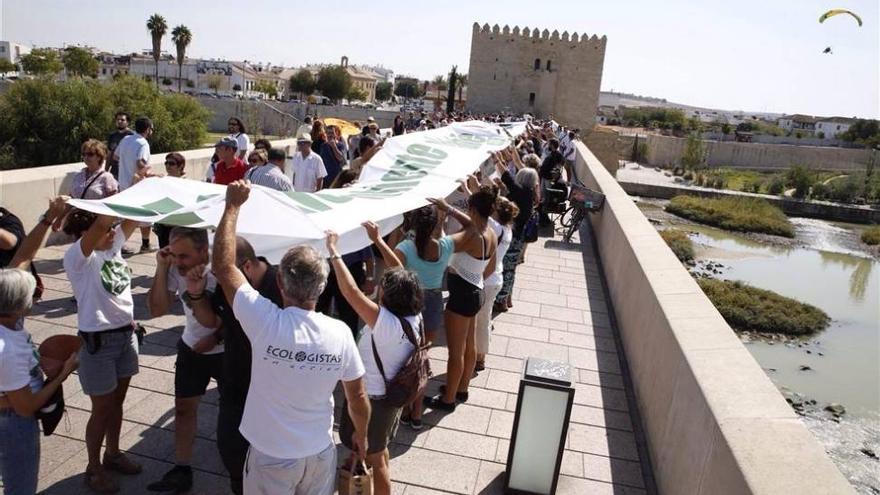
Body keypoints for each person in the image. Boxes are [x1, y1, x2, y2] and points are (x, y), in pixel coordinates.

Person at [212, 181, 370, 495]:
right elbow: (358, 398)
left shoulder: (264, 321)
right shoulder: (340, 333)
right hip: (319, 454)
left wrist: (232, 206)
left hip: (271, 457)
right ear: (322, 289)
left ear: (280, 285)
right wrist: (361, 436)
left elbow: (222, 266)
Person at [327, 224, 423, 495]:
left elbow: (351, 293)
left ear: (388, 295)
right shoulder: (413, 315)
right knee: (379, 454)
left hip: (376, 403)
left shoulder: (386, 323)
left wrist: (333, 252)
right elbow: (398, 270)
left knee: (375, 460)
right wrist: (377, 240)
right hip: (389, 399)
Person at [182, 236, 282, 495]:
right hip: (236, 381)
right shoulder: (227, 285)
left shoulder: (282, 284)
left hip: (274, 390)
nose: (219, 280)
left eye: (223, 273)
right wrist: (196, 292)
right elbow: (211, 320)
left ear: (246, 266)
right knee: (231, 449)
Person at [0, 198, 78, 495]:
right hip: (13, 425)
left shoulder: (7, 315)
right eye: (31, 295)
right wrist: (63, 374)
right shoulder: (6, 347)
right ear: (20, 306)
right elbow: (26, 406)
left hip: (10, 406)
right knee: (20, 487)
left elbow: (22, 256)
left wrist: (49, 217)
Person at [62, 211, 144, 493]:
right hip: (99, 343)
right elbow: (101, 223)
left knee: (117, 402)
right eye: (108, 229)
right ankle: (93, 468)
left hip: (125, 337)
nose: (114, 232)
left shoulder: (112, 247)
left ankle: (113, 453)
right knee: (101, 409)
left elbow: (134, 216)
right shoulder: (78, 260)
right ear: (89, 234)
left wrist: (141, 185)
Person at [145, 228, 222, 493]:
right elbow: (156, 309)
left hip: (227, 351)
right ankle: (182, 467)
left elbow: (239, 313)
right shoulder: (175, 268)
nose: (178, 262)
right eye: (174, 255)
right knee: (183, 408)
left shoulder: (221, 268)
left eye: (184, 256)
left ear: (204, 252)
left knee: (235, 409)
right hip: (192, 348)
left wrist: (215, 338)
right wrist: (161, 268)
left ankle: (240, 463)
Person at [370, 205, 452, 429]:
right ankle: (416, 413)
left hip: (412, 304)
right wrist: (447, 212)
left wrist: (379, 239)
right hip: (434, 304)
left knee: (405, 358)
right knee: (422, 358)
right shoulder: (445, 246)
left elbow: (392, 264)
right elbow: (467, 228)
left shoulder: (406, 247)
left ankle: (404, 406)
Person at [424, 188, 498, 412]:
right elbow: (471, 224)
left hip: (462, 296)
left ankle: (448, 400)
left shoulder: (470, 236)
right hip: (476, 291)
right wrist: (449, 209)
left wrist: (439, 220)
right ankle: (462, 389)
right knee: (469, 345)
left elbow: (435, 249)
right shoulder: (490, 232)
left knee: (455, 352)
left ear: (473, 209)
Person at [475, 197, 518, 370]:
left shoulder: (496, 227)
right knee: (484, 319)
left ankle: (480, 357)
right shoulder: (507, 229)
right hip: (495, 279)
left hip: (487, 279)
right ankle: (479, 355)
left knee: (482, 320)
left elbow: (478, 214)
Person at [494, 159, 539, 313]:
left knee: (504, 269)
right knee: (511, 269)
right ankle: (507, 298)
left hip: (512, 237)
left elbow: (506, 176)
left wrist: (496, 158)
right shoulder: (529, 194)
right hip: (518, 238)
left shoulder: (521, 192)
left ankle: (501, 301)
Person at [113, 116, 154, 253]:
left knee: (125, 215)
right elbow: (140, 162)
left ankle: (119, 244)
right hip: (137, 185)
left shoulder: (125, 139)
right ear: (148, 130)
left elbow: (116, 156)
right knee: (144, 216)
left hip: (123, 183)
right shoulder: (143, 143)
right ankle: (145, 245)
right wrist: (149, 171)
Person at [154, 152, 187, 249]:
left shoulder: (186, 183)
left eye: (172, 163)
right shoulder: (163, 180)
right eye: (166, 163)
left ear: (181, 166)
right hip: (163, 224)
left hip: (178, 226)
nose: (168, 166)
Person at [105, 112, 133, 180]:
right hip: (114, 172)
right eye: (118, 119)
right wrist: (105, 171)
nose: (119, 121)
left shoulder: (132, 136)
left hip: (127, 173)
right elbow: (109, 154)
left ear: (127, 122)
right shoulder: (112, 136)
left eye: (122, 120)